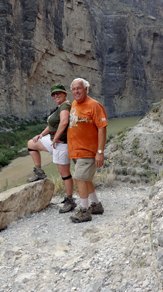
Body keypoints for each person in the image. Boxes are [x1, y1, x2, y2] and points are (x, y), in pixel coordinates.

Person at [26, 83, 75, 213]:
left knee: (64, 174)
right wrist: (41, 135)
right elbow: (51, 125)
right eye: (54, 94)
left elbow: (64, 122)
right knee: (32, 143)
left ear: (64, 93)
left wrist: (57, 137)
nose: (56, 95)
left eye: (58, 93)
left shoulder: (65, 105)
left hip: (61, 143)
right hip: (54, 140)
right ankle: (39, 172)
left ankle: (70, 200)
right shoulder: (58, 108)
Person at [67, 77, 107, 223]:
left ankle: (84, 211)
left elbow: (102, 128)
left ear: (86, 89)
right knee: (85, 179)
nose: (76, 91)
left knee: (79, 178)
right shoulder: (74, 104)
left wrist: (100, 152)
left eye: (79, 88)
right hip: (75, 152)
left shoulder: (94, 105)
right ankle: (96, 205)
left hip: (88, 151)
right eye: (73, 89)